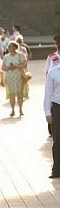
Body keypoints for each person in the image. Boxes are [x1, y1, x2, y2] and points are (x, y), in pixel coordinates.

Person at [44, 35, 60, 178]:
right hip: (57, 108)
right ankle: (56, 169)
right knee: (57, 140)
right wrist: (47, 112)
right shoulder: (53, 71)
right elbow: (47, 94)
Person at [2, 41, 28, 117]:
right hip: (10, 78)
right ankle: (12, 110)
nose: (9, 48)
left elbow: (25, 63)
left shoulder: (20, 55)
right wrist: (8, 67)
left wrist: (17, 66)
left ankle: (20, 109)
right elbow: (3, 67)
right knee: (11, 95)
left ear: (15, 47)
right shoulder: (6, 56)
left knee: (20, 94)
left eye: (11, 46)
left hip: (19, 77)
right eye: (8, 46)